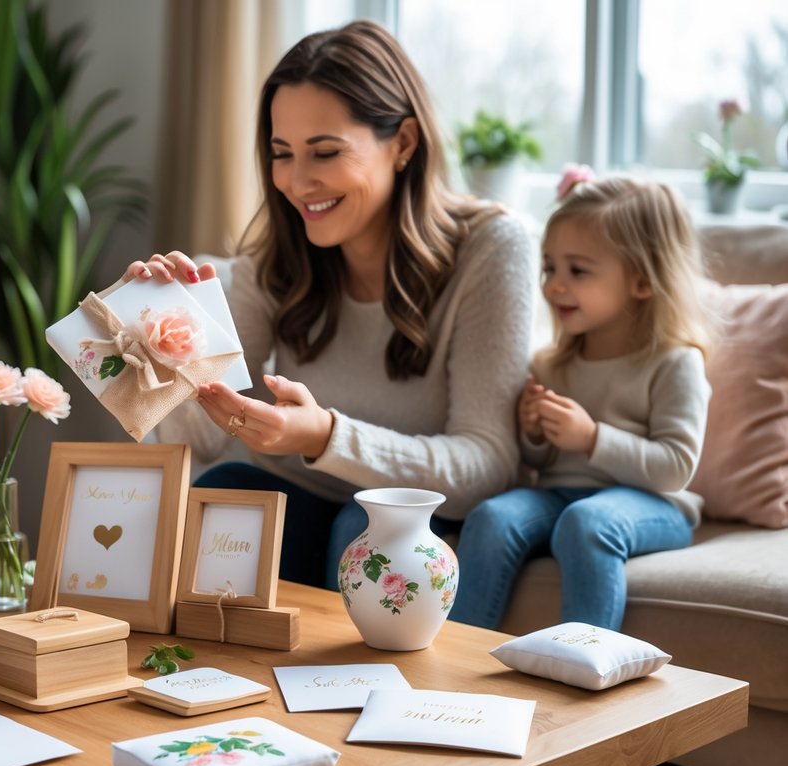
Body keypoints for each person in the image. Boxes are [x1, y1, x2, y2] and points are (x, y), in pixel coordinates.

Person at [122, 20, 536, 589]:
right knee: (228, 493)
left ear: (405, 144)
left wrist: (326, 437)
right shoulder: (274, 258)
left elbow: (487, 462)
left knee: (359, 528)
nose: (297, 182)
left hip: (413, 519)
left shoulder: (492, 247)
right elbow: (204, 443)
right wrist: (166, 347)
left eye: (325, 152)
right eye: (282, 153)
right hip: (298, 499)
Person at [449, 175, 711, 631]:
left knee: (587, 521)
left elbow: (675, 468)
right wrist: (533, 433)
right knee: (492, 517)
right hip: (560, 494)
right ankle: (454, 657)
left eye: (578, 271)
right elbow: (538, 461)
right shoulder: (553, 362)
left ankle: (585, 664)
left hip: (654, 504)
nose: (554, 287)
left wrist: (591, 438)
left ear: (643, 281)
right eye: (550, 268)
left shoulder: (675, 362)